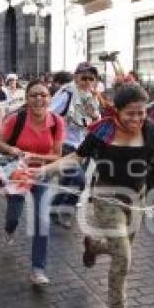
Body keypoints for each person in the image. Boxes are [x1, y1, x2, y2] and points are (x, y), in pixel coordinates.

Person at [33, 84, 154, 308]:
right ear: (117, 111)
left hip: (136, 199)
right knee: (123, 257)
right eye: (130, 114)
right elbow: (75, 159)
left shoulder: (153, 131)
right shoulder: (102, 131)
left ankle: (94, 248)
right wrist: (44, 171)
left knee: (120, 249)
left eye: (141, 113)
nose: (136, 119)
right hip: (105, 197)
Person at [0, 80, 66, 286]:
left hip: (41, 174)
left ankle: (38, 269)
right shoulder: (15, 119)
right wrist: (12, 150)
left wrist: (34, 156)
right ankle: (9, 229)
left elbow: (57, 156)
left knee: (42, 221)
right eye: (34, 95)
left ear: (49, 98)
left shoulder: (57, 122)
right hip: (17, 173)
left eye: (43, 95)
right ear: (27, 99)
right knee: (14, 215)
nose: (39, 99)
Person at [50, 62, 103, 228]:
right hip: (65, 144)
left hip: (83, 145)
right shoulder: (67, 93)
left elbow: (98, 119)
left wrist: (94, 117)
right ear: (76, 77)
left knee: (68, 182)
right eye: (84, 78)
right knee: (79, 180)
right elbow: (50, 115)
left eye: (91, 78)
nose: (87, 82)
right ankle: (65, 212)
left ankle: (53, 209)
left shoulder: (91, 97)